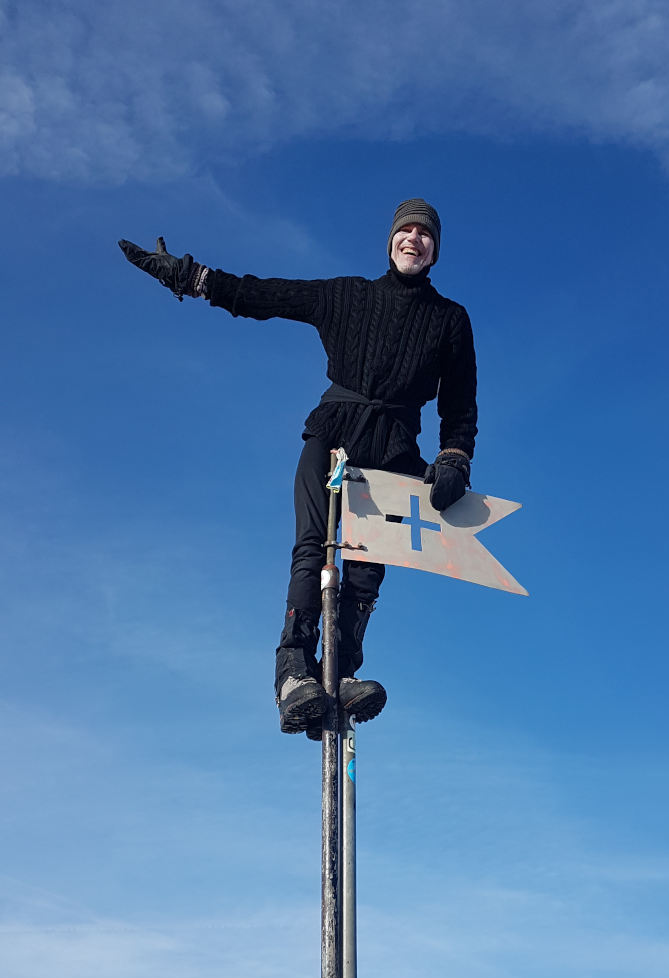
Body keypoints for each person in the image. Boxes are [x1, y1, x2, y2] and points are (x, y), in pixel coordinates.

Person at [119, 199, 478, 735]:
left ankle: (340, 675)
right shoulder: (348, 295)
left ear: (436, 250)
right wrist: (192, 278)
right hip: (332, 436)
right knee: (313, 549)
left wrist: (454, 458)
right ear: (390, 240)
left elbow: (461, 403)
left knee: (365, 570)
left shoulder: (450, 320)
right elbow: (263, 295)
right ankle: (292, 674)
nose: (413, 239)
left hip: (395, 452)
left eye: (425, 234)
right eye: (405, 229)